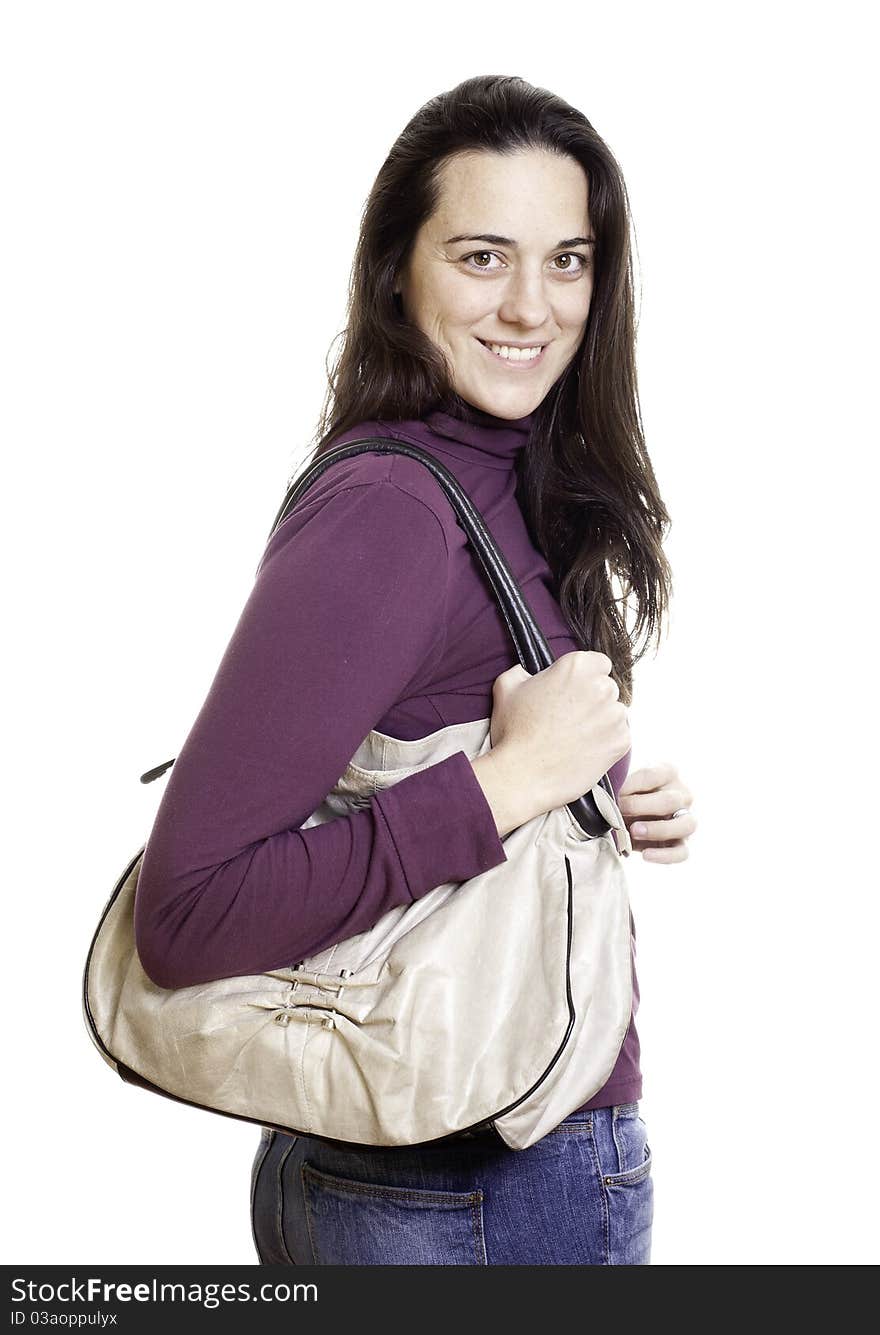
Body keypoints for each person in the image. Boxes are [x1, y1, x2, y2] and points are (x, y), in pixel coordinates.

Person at [134, 73, 696, 1266]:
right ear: (399, 269)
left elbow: (417, 744)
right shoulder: (392, 506)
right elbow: (183, 916)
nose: (532, 306)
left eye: (569, 260)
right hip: (463, 1191)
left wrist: (591, 792)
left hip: (469, 1166)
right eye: (483, 257)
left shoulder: (506, 476)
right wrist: (506, 784)